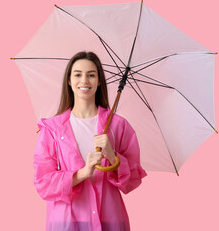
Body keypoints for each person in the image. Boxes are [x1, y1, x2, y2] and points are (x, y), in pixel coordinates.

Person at [33, 51, 147, 231]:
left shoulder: (118, 126)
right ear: (69, 80)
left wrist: (113, 156)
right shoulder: (52, 129)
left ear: (99, 80)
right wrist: (82, 173)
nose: (84, 81)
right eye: (78, 74)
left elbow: (133, 178)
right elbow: (43, 183)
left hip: (109, 218)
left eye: (91, 75)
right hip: (67, 221)